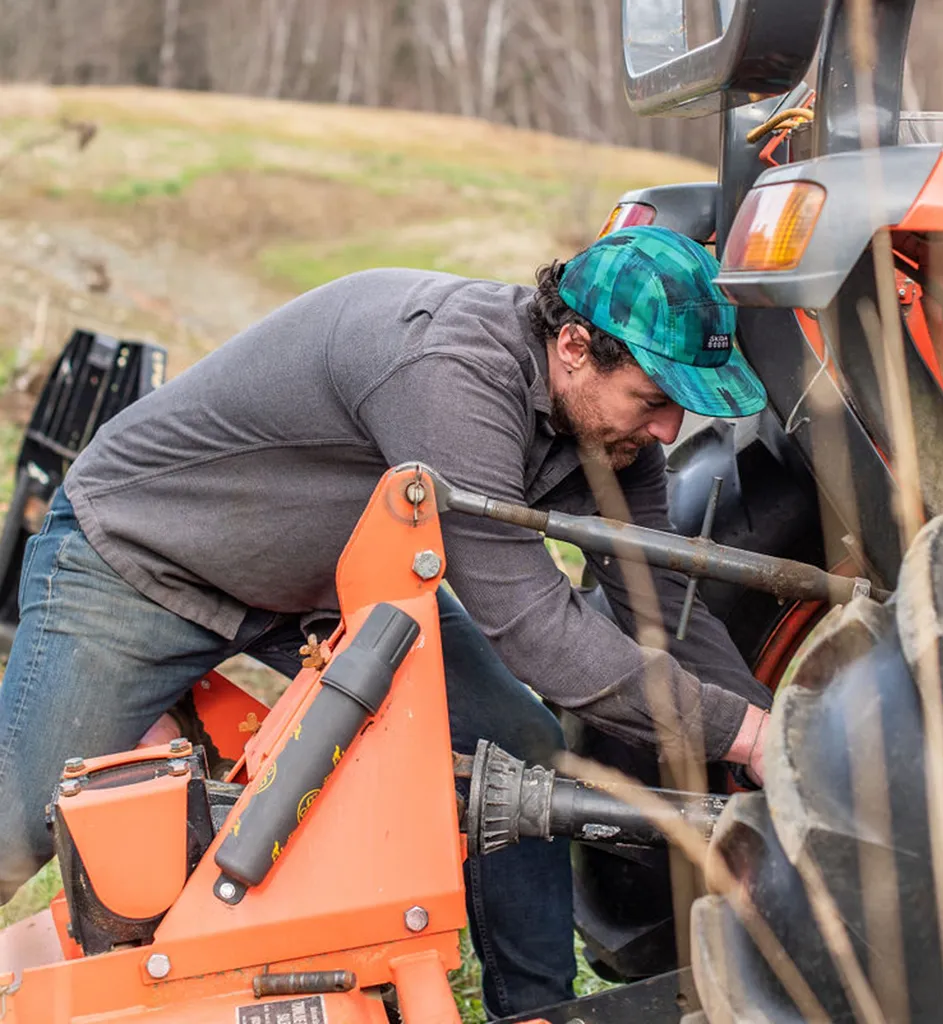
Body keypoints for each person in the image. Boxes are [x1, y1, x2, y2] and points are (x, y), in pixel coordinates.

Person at [0, 225, 772, 1016]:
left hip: (318, 589)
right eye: (654, 400)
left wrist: (766, 732)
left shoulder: (615, 439)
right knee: (13, 831)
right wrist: (740, 734)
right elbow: (533, 627)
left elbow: (661, 606)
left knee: (518, 740)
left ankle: (536, 1007)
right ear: (575, 345)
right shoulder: (450, 378)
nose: (668, 433)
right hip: (142, 562)